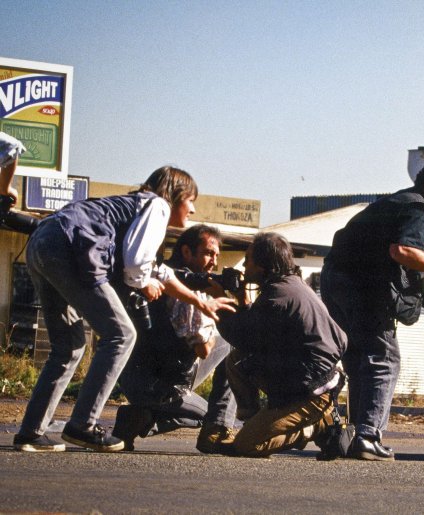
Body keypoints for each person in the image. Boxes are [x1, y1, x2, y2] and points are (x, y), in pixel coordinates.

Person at [10, 165, 236, 452]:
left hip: (44, 242)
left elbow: (160, 272)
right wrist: (144, 283)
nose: (191, 210)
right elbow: (136, 265)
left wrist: (198, 300)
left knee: (68, 346)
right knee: (122, 334)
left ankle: (31, 432)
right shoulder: (157, 206)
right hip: (67, 247)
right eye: (191, 201)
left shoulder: (131, 207)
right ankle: (83, 425)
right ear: (177, 195)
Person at [320, 159, 424, 460]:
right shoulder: (417, 207)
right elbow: (402, 251)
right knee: (385, 357)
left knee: (360, 358)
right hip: (360, 286)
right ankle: (368, 436)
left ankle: (357, 434)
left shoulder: (396, 202)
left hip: (336, 278)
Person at [214, 232, 347, 458]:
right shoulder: (290, 287)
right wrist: (241, 298)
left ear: (264, 265)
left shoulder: (279, 295)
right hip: (303, 381)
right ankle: (254, 422)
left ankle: (315, 427)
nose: (244, 266)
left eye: (248, 260)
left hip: (310, 393)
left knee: (247, 446)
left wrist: (216, 302)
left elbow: (242, 335)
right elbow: (254, 334)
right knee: (237, 360)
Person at [113, 224, 237, 452]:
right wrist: (214, 317)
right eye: (209, 253)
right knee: (214, 415)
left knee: (228, 344)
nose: (214, 262)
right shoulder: (186, 292)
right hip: (163, 387)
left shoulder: (164, 275)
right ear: (187, 252)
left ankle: (137, 417)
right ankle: (217, 430)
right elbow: (203, 350)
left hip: (138, 377)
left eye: (216, 256)